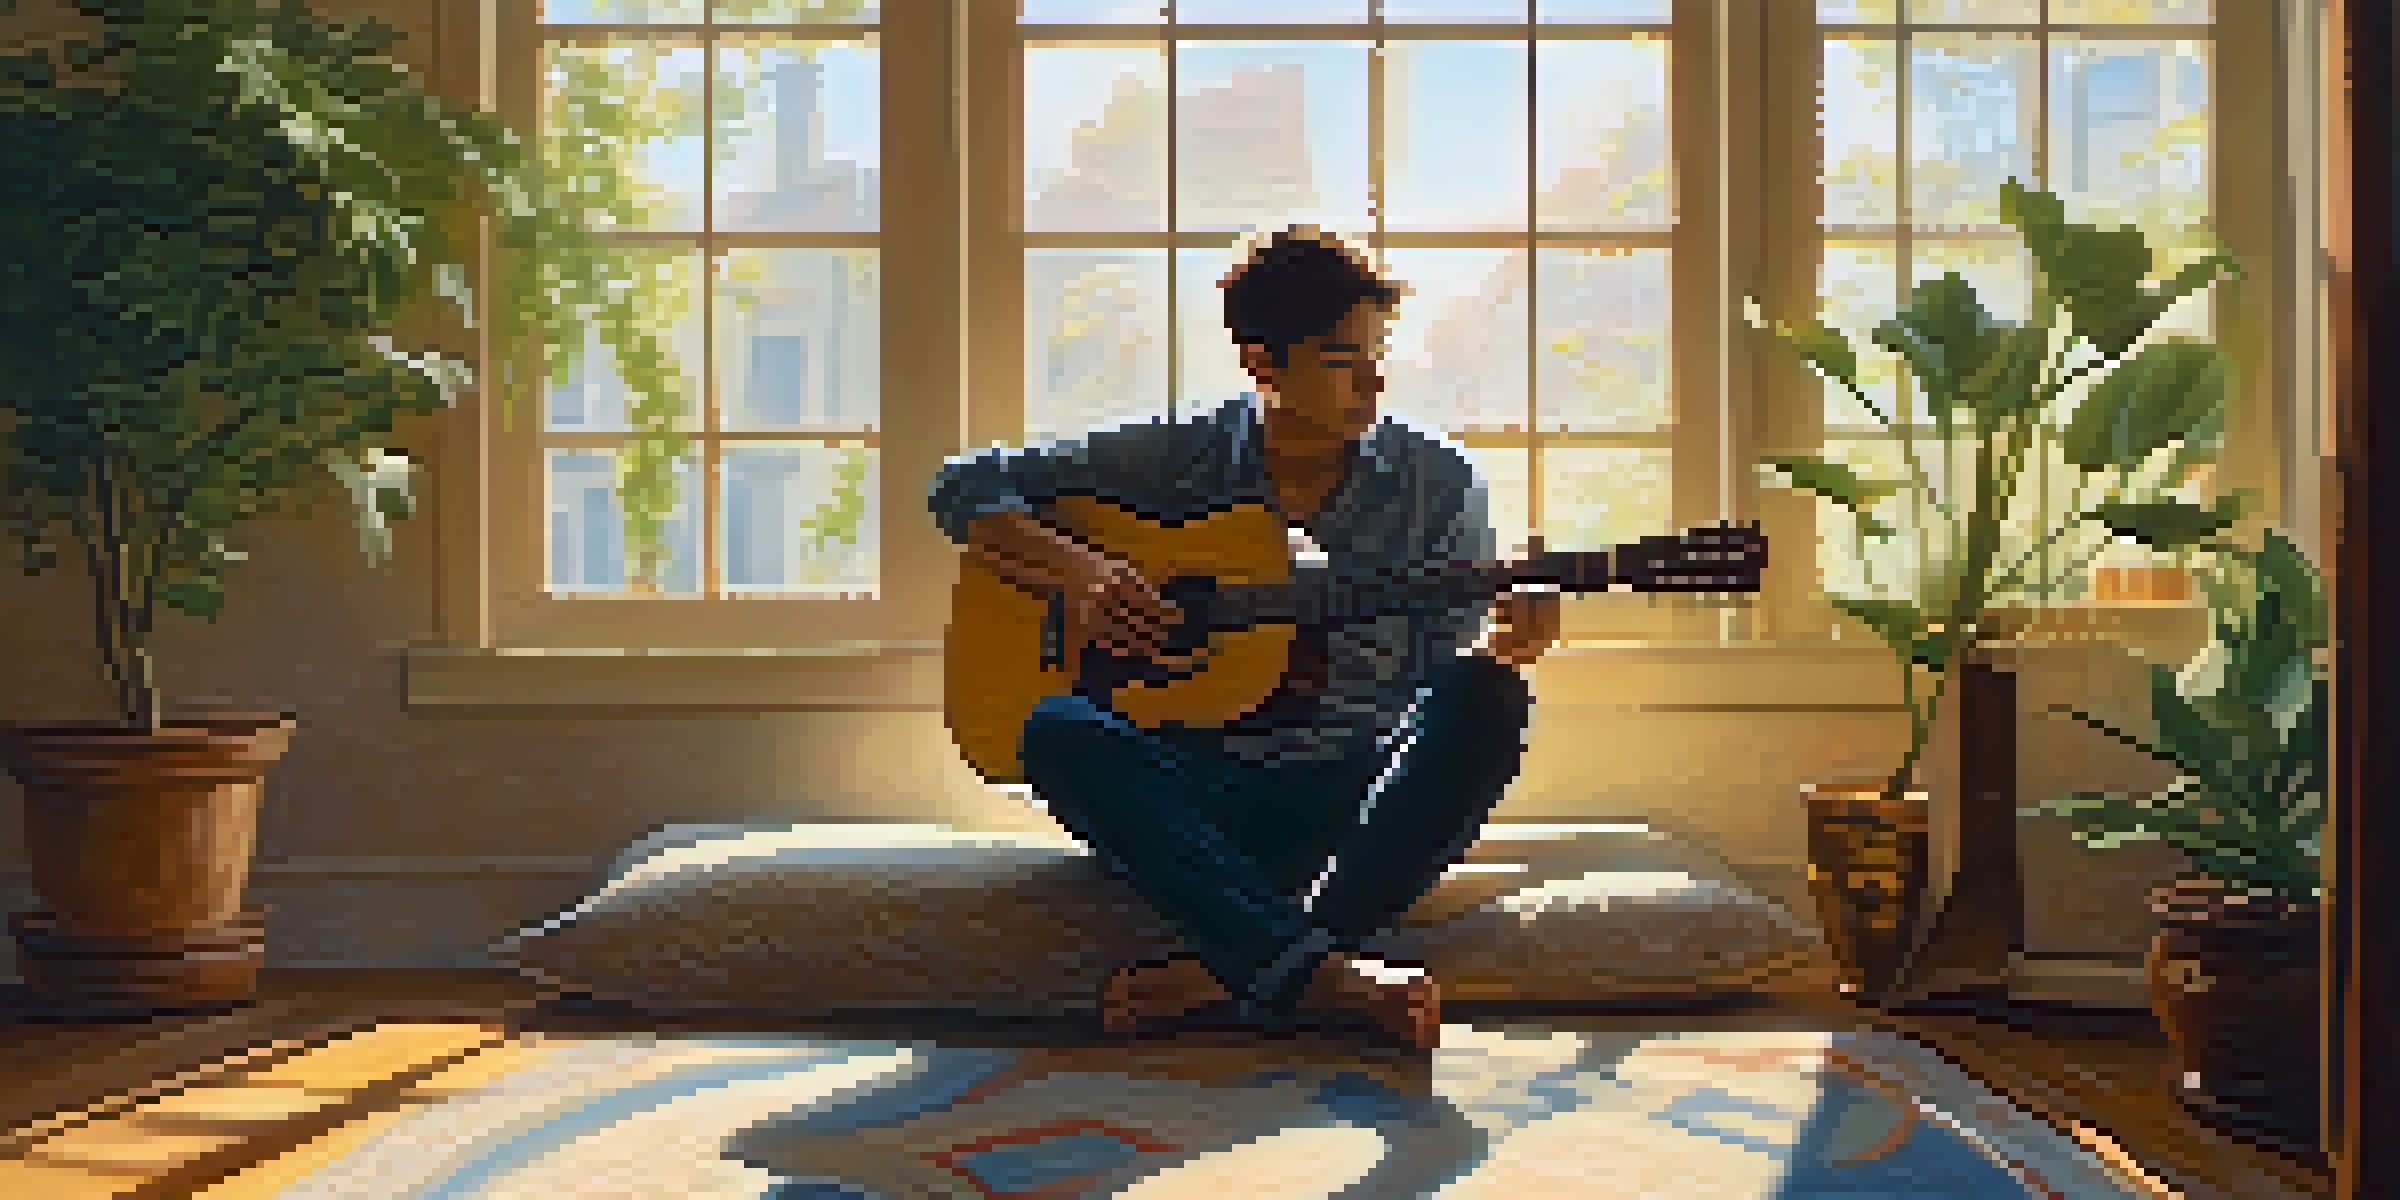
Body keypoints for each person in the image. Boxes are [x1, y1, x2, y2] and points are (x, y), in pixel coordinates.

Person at [926, 226, 1559, 1051]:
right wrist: (1085, 576)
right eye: (1341, 360)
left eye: (1377, 356)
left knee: (1488, 696)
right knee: (1055, 728)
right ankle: (1318, 970)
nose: (1372, 382)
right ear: (1263, 362)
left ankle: (1250, 970)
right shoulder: (1181, 454)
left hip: (1351, 801)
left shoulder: (1438, 485)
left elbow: (1437, 687)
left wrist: (1506, 651)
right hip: (1200, 796)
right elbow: (963, 486)